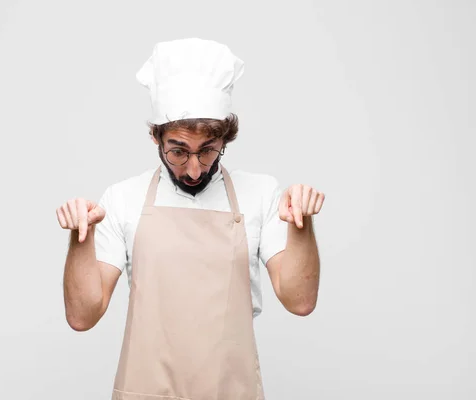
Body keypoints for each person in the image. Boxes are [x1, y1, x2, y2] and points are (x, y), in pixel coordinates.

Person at [57, 38, 325, 400]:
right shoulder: (122, 199)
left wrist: (302, 224)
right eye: (178, 151)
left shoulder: (261, 194)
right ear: (155, 137)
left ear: (225, 138)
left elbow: (300, 301)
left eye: (209, 149)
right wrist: (80, 236)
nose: (195, 169)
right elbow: (82, 317)